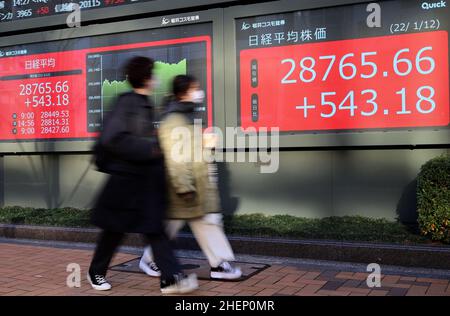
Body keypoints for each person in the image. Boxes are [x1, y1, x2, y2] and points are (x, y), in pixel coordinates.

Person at [88, 57, 198, 294]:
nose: (157, 78)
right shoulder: (127, 102)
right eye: (154, 74)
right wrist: (150, 149)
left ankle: (170, 278)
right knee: (113, 231)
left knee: (154, 229)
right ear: (147, 78)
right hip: (124, 183)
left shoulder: (144, 103)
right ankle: (96, 272)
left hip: (144, 182)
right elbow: (112, 139)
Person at [139, 75, 242, 280]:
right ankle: (151, 259)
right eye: (195, 88)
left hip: (194, 185)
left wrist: (203, 143)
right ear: (183, 92)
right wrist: (184, 186)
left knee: (204, 222)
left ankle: (218, 264)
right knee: (184, 224)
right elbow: (175, 157)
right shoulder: (174, 119)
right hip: (184, 187)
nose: (199, 92)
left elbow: (187, 149)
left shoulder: (184, 116)